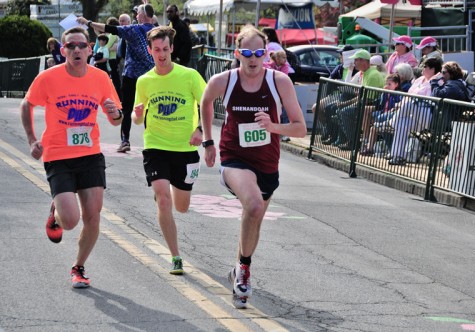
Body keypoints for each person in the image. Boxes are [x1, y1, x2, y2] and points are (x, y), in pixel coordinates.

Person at [200, 25, 306, 309]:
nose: (253, 58)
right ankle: (245, 272)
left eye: (259, 52)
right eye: (247, 52)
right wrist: (208, 140)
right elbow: (206, 100)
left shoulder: (279, 81)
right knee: (255, 205)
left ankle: (238, 268)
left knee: (254, 218)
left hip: (267, 163)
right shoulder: (224, 80)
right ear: (238, 53)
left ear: (266, 54)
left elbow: (300, 129)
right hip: (234, 158)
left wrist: (272, 126)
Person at [20, 27, 122, 288]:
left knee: (92, 215)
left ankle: (79, 267)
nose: (76, 50)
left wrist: (115, 113)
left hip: (90, 155)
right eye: (70, 46)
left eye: (81, 45)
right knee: (71, 220)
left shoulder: (101, 78)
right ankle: (56, 213)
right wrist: (32, 139)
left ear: (90, 49)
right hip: (58, 156)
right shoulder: (49, 77)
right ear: (63, 50)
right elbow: (27, 104)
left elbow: (115, 117)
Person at [132, 26, 206, 275]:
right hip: (155, 146)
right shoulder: (144, 81)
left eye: (165, 49)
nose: (161, 54)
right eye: (156, 50)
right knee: (164, 199)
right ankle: (175, 256)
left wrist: (201, 131)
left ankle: (168, 192)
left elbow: (206, 105)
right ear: (150, 51)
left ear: (172, 49)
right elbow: (135, 115)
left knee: (182, 206)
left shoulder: (190, 76)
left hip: (186, 148)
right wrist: (137, 114)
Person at [77, 4, 155, 153]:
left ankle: (125, 141)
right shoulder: (156, 31)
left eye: (137, 13)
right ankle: (151, 143)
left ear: (143, 15)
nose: (136, 16)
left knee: (126, 108)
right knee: (150, 109)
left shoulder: (134, 30)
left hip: (132, 76)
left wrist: (88, 23)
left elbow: (109, 28)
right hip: (151, 76)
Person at [387, 57, 442, 165]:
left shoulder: (438, 82)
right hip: (410, 113)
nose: (422, 68)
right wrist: (400, 105)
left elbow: (431, 99)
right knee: (402, 125)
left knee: (409, 103)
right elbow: (408, 95)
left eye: (425, 66)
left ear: (432, 69)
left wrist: (405, 104)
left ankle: (391, 122)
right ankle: (397, 156)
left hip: (426, 113)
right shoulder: (418, 80)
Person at [336, 49, 385, 150]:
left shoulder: (372, 75)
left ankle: (353, 142)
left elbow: (367, 99)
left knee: (345, 111)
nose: (354, 63)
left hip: (373, 105)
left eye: (356, 60)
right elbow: (363, 96)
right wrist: (345, 103)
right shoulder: (366, 73)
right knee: (340, 110)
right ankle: (350, 140)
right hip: (366, 103)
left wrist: (345, 104)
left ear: (363, 61)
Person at [360, 73, 402, 156]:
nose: (387, 86)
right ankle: (369, 148)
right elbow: (380, 103)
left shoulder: (398, 94)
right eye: (386, 84)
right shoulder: (386, 93)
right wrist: (383, 93)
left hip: (391, 116)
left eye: (389, 84)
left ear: (396, 84)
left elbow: (398, 106)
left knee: (376, 124)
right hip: (383, 112)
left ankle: (373, 147)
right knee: (373, 128)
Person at [429, 61, 470, 131]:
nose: (441, 75)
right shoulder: (452, 83)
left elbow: (438, 95)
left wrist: (434, 82)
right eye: (441, 72)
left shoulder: (453, 85)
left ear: (452, 73)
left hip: (452, 124)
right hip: (450, 122)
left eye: (444, 73)